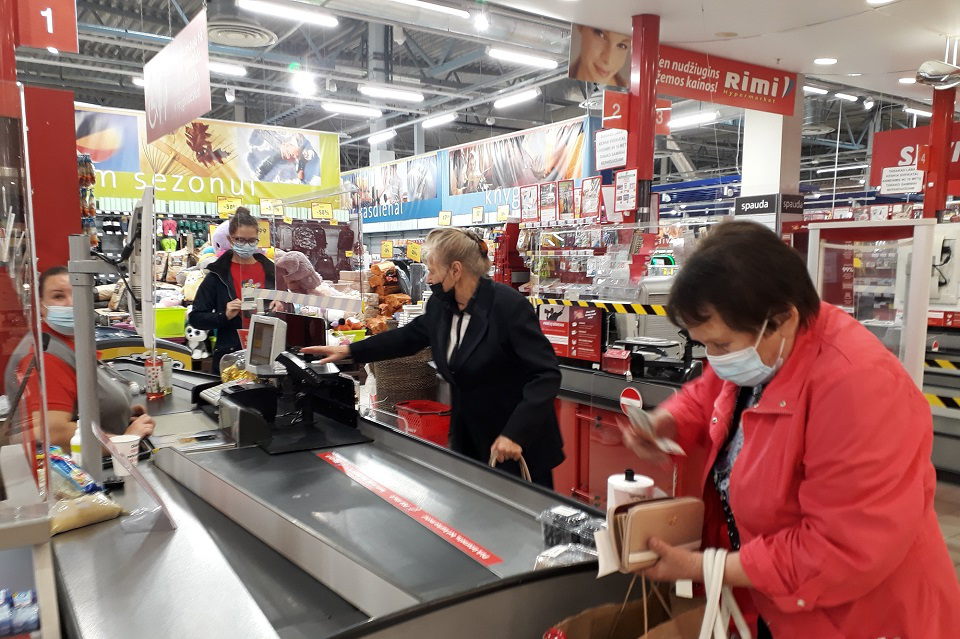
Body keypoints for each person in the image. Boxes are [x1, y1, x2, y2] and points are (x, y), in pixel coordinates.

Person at [620, 221, 960, 638]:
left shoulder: (857, 388)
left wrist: (703, 566)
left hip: (856, 618)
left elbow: (838, 549)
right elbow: (711, 391)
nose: (714, 357)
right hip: (774, 601)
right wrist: (667, 421)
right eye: (704, 344)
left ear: (782, 318)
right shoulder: (766, 348)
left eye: (721, 345)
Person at [304, 228, 564, 487]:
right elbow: (408, 337)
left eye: (432, 271)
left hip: (516, 445)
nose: (428, 279)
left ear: (456, 270)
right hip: (471, 441)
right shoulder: (442, 307)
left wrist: (515, 434)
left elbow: (545, 374)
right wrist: (350, 351)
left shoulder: (508, 306)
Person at [4, 266, 155, 452]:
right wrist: (126, 440)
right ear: (41, 305)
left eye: (77, 294)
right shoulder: (46, 355)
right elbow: (56, 432)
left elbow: (76, 405)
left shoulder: (67, 342)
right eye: (58, 296)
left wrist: (118, 412)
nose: (71, 303)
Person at [189, 208, 276, 371]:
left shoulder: (272, 271)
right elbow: (196, 318)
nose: (247, 245)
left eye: (252, 240)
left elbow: (289, 309)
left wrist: (282, 306)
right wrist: (224, 315)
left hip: (268, 351)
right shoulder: (217, 274)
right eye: (240, 240)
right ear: (230, 239)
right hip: (231, 355)